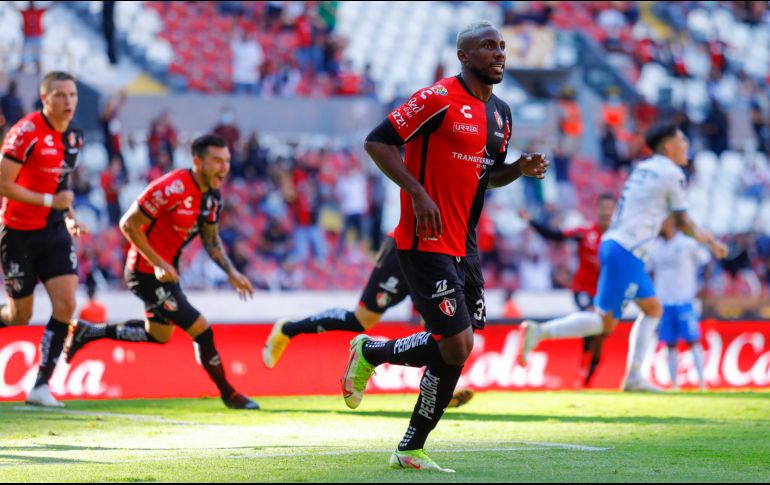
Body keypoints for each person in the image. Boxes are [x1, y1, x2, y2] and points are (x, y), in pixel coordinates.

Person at [340, 21, 548, 472]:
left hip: (464, 243)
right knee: (455, 345)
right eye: (488, 46)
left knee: (458, 347)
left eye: (502, 46)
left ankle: (391, 401)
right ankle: (386, 391)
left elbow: (486, 177)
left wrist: (518, 168)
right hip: (423, 238)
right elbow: (377, 141)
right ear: (464, 55)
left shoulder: (502, 114)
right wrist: (417, 193)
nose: (499, 52)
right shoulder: (436, 98)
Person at [519, 121, 727, 392]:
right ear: (668, 146)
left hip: (623, 248)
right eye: (682, 140)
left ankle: (634, 376)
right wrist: (712, 243)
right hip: (626, 250)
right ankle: (541, 331)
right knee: (603, 322)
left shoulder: (643, 168)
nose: (687, 145)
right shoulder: (671, 173)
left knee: (653, 309)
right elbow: (684, 221)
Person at [64, 134, 259, 410]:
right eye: (217, 160)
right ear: (197, 162)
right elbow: (128, 224)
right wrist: (156, 262)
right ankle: (229, 393)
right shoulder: (172, 188)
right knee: (202, 331)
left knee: (158, 335)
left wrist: (231, 272)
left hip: (165, 273)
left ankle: (89, 332)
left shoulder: (212, 199)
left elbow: (211, 240)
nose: (224, 167)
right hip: (144, 272)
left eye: (226, 161)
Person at [262, 232, 474, 409]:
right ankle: (288, 329)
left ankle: (440, 392)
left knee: (437, 327)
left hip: (440, 253)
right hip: (407, 247)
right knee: (361, 319)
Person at [0, 71, 84, 407]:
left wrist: (69, 215)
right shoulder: (25, 132)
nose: (68, 102)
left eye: (73, 95)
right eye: (60, 95)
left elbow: (59, 185)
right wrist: (53, 202)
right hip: (17, 232)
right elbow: (4, 185)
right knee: (20, 316)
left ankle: (40, 386)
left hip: (52, 233)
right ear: (44, 98)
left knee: (66, 304)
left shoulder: (75, 139)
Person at [518, 194, 616, 387]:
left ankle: (586, 377)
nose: (606, 212)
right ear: (597, 210)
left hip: (605, 293)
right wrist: (530, 220)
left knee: (599, 336)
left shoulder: (620, 237)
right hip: (583, 289)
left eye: (610, 208)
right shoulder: (585, 232)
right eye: (603, 207)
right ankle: (540, 332)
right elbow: (554, 235)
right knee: (593, 319)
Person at [647, 217, 710, 391]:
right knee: (670, 343)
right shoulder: (655, 248)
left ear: (671, 223)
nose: (660, 225)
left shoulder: (687, 244)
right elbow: (648, 270)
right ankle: (674, 384)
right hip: (664, 302)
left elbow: (706, 261)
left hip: (685, 300)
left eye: (663, 221)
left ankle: (702, 383)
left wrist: (703, 285)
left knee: (692, 340)